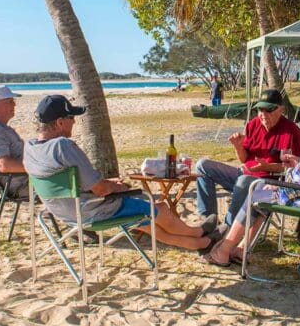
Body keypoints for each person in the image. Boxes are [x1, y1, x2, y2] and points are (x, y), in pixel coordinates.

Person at [202, 81, 300, 267]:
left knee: (260, 192)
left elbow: (299, 179)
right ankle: (240, 250)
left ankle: (223, 251)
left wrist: (287, 175)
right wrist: (298, 161)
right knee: (266, 192)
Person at [24, 94, 218, 250]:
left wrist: (107, 184)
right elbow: (100, 189)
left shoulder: (30, 148)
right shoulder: (62, 146)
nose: (74, 122)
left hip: (65, 214)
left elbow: (73, 183)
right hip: (94, 211)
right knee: (159, 207)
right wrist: (117, 186)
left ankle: (199, 243)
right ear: (59, 122)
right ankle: (198, 233)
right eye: (72, 117)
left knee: (144, 221)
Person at [194, 89, 300, 227]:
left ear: (281, 109)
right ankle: (207, 221)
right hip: (245, 175)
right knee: (202, 165)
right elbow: (244, 159)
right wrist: (238, 146)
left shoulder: (292, 131)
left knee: (244, 180)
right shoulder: (253, 124)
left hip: (269, 184)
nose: (263, 115)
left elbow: (296, 168)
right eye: (260, 109)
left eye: (268, 110)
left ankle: (227, 229)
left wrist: (268, 167)